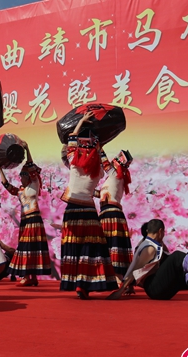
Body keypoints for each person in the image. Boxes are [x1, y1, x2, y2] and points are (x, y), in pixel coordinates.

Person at [59, 112, 118, 298]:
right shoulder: (99, 170)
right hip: (89, 210)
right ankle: (83, 285)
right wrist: (100, 148)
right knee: (90, 248)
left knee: (74, 246)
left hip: (72, 209)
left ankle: (74, 281)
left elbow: (71, 140)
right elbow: (108, 166)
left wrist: (81, 122)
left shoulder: (73, 162)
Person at [106, 219, 188, 302]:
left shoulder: (154, 245)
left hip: (159, 288)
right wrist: (120, 291)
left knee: (181, 264)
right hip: (154, 289)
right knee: (178, 256)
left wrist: (129, 287)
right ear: (160, 231)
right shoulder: (149, 248)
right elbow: (135, 270)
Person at [0, 142, 53, 286]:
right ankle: (31, 277)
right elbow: (6, 185)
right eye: (21, 175)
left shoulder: (34, 185)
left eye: (24, 175)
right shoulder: (20, 191)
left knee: (30, 247)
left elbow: (31, 164)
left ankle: (28, 276)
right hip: (25, 220)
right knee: (28, 247)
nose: (21, 177)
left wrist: (27, 148)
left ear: (29, 176)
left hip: (34, 218)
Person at [96, 150, 134, 278]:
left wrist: (99, 147)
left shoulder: (115, 174)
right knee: (114, 244)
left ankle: (117, 277)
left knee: (111, 245)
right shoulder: (116, 178)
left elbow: (105, 162)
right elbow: (103, 194)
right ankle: (117, 277)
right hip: (109, 213)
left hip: (110, 213)